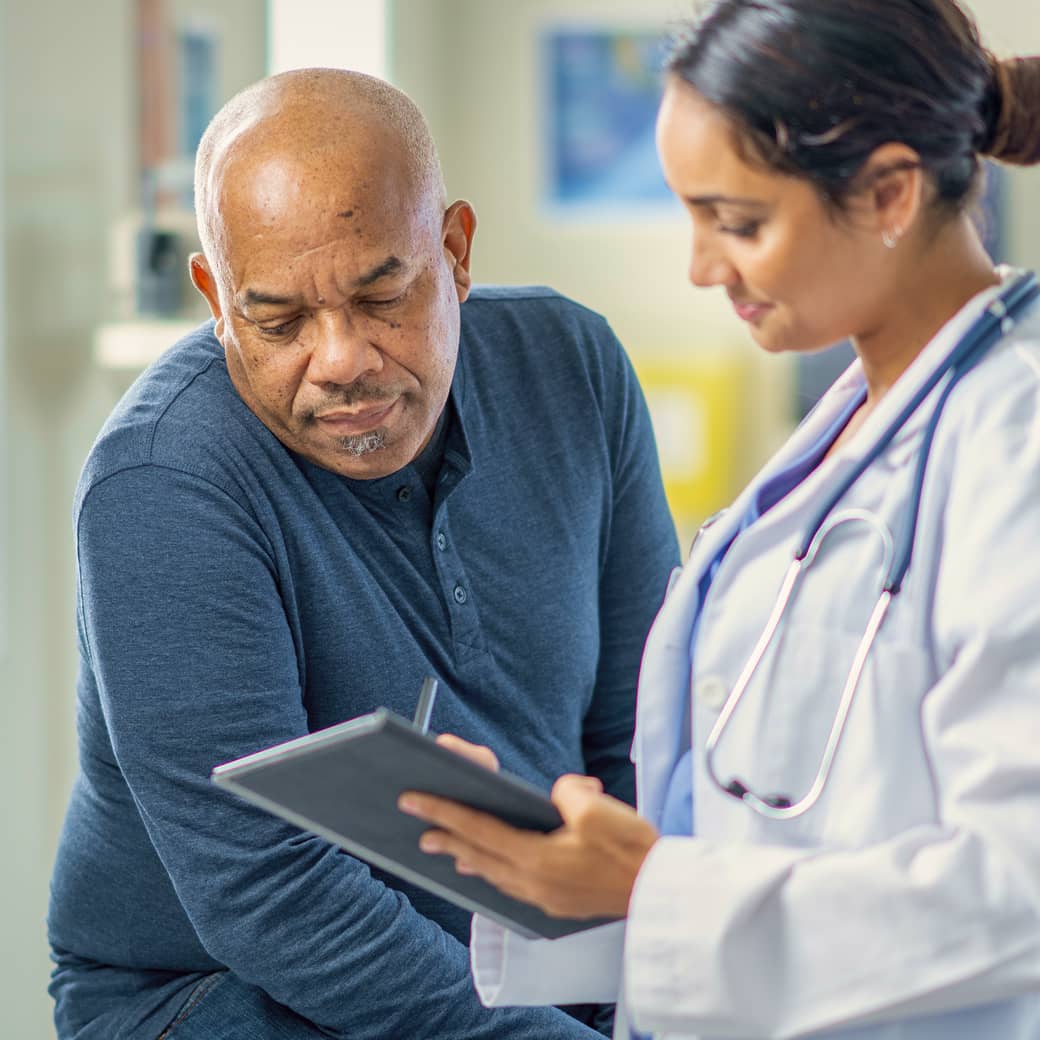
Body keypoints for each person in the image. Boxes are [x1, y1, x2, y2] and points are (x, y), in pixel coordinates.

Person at [399, 2, 1040, 1037]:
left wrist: (657, 889)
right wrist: (557, 865)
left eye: (735, 221)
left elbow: (1017, 891)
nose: (700, 265)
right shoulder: (852, 423)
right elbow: (754, 833)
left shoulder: (1016, 437)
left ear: (887, 190)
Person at [46, 69, 680, 1040]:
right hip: (216, 988)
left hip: (533, 955)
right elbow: (270, 893)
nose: (340, 359)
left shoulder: (574, 370)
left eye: (381, 294)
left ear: (456, 251)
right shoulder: (164, 479)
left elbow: (642, 750)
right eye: (279, 320)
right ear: (216, 300)